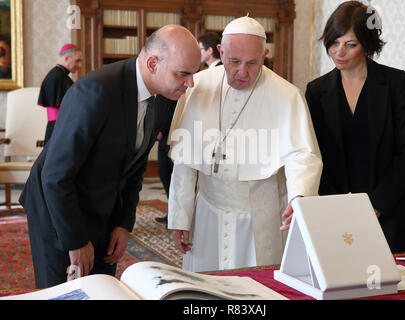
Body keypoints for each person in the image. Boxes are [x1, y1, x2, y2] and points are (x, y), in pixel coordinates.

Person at [19, 25, 201, 288]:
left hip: (103, 204)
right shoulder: (95, 91)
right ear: (152, 63)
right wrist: (76, 240)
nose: (191, 83)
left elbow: (134, 169)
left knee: (102, 287)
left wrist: (122, 223)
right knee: (65, 291)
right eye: (183, 73)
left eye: (194, 73)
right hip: (57, 210)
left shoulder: (165, 98)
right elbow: (55, 176)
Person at [167, 16, 322, 272]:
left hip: (260, 214)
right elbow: (185, 160)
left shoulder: (286, 95)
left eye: (252, 63)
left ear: (265, 54)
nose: (242, 72)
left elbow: (302, 156)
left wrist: (299, 196)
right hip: (208, 211)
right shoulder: (199, 86)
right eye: (234, 62)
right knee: (206, 287)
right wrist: (180, 217)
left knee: (258, 287)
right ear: (221, 51)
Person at [283, 1, 405, 253]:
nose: (339, 52)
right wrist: (339, 207)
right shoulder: (316, 91)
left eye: (350, 45)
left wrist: (377, 205)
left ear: (368, 45)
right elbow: (315, 153)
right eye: (334, 43)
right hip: (336, 211)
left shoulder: (396, 84)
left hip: (390, 210)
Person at [155, 32, 224, 226]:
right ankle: (176, 211)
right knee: (173, 172)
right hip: (178, 129)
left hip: (187, 131)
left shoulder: (207, 76)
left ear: (211, 51)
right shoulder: (199, 73)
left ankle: (178, 212)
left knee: (172, 171)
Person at [37, 44, 83, 145]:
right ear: (67, 58)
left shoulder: (57, 74)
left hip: (56, 126)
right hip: (60, 128)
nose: (80, 65)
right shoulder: (59, 77)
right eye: (78, 61)